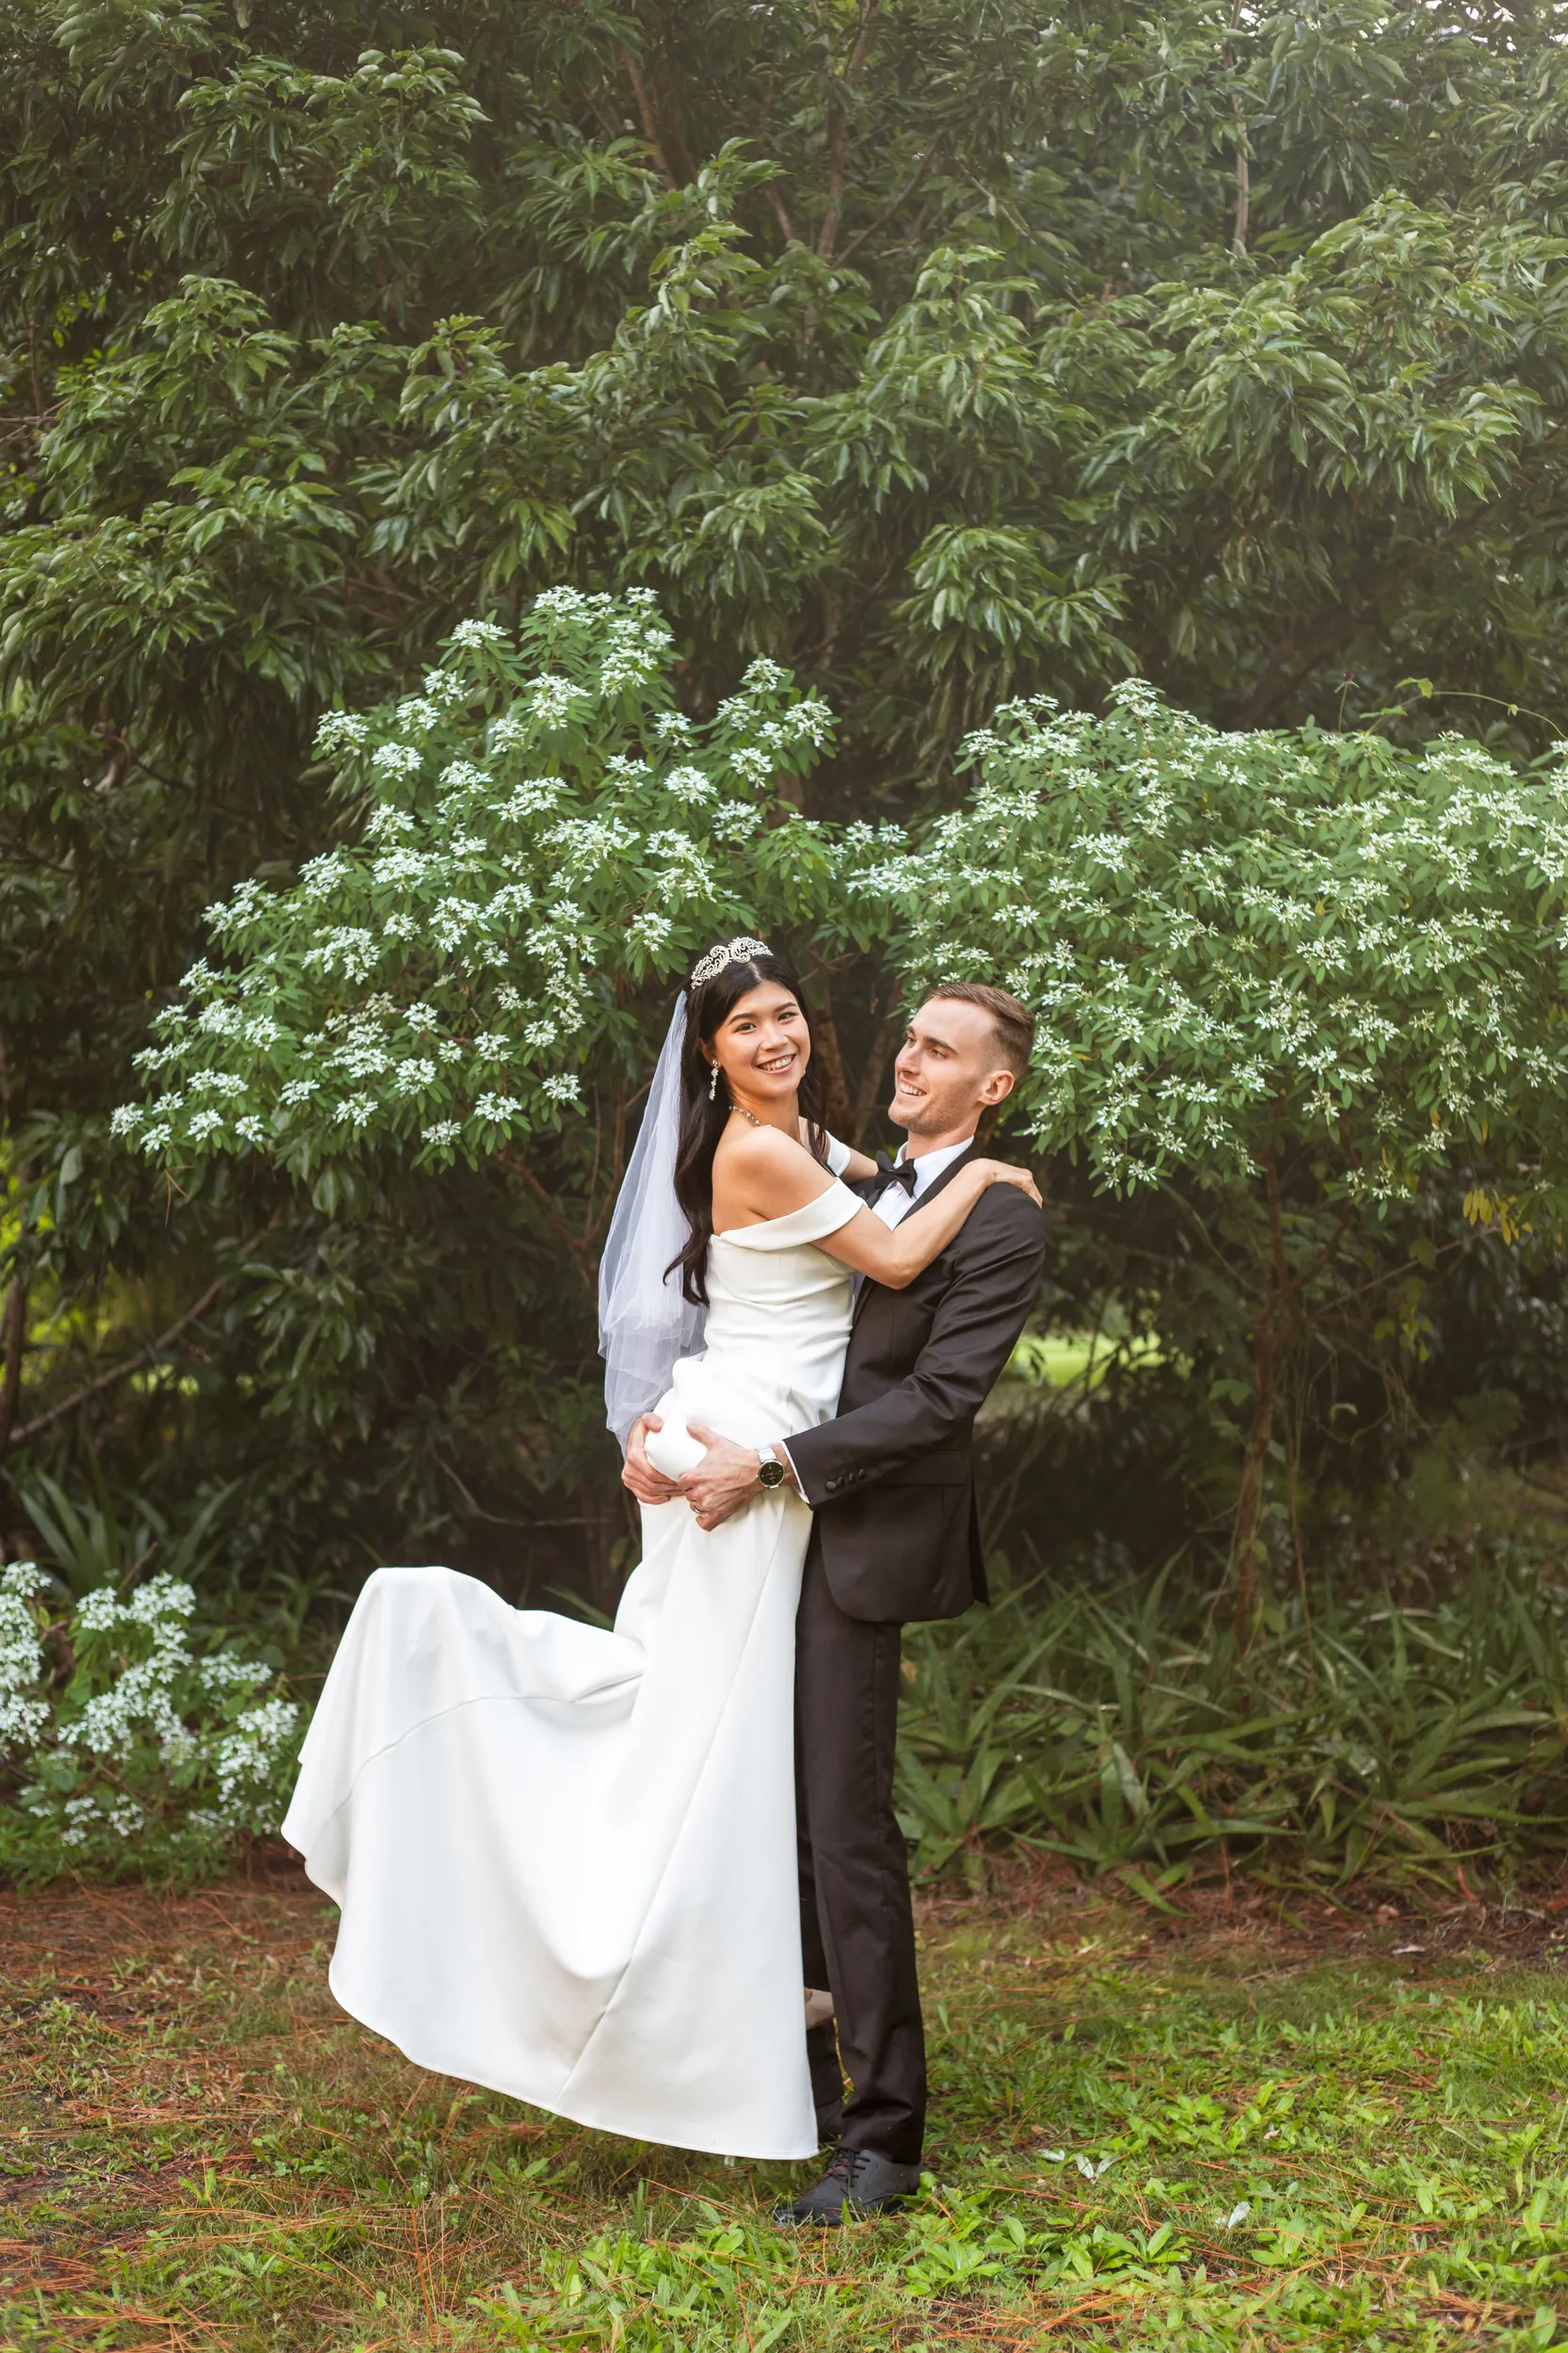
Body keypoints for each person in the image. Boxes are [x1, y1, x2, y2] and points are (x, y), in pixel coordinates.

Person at [281, 939, 1040, 2164]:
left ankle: (840, 2104)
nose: (785, 1039)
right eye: (748, 1027)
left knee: (777, 1794)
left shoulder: (836, 1154)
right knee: (699, 1755)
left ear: (988, 1083)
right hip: (750, 1481)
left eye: (789, 1017)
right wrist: (997, 1180)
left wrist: (706, 1430)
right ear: (707, 1053)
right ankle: (749, 2050)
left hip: (783, 1485)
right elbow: (879, 1264)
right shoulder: (793, 1154)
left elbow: (926, 1375)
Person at [624, 981, 1045, 2222]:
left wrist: (772, 1463)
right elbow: (757, 1323)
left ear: (994, 1087)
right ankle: (793, 2077)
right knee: (769, 1813)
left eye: (939, 1050)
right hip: (765, 1528)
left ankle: (883, 2140)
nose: (906, 1059)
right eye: (908, 1039)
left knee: (847, 1841)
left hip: (849, 1540)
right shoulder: (858, 1177)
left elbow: (938, 1402)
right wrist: (667, 1430)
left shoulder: (1001, 1220)